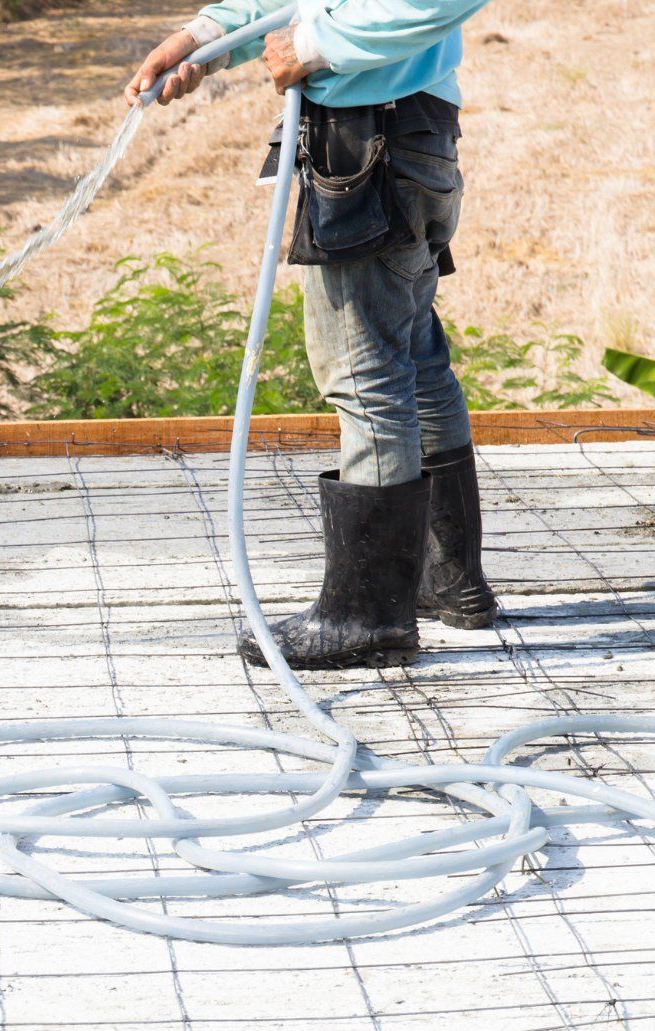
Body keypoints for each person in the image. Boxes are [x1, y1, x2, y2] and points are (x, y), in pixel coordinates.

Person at [121, 0, 499, 669]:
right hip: (404, 134)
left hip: (373, 143)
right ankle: (448, 581)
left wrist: (317, 44)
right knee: (412, 356)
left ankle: (369, 617)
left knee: (365, 370)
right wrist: (201, 40)